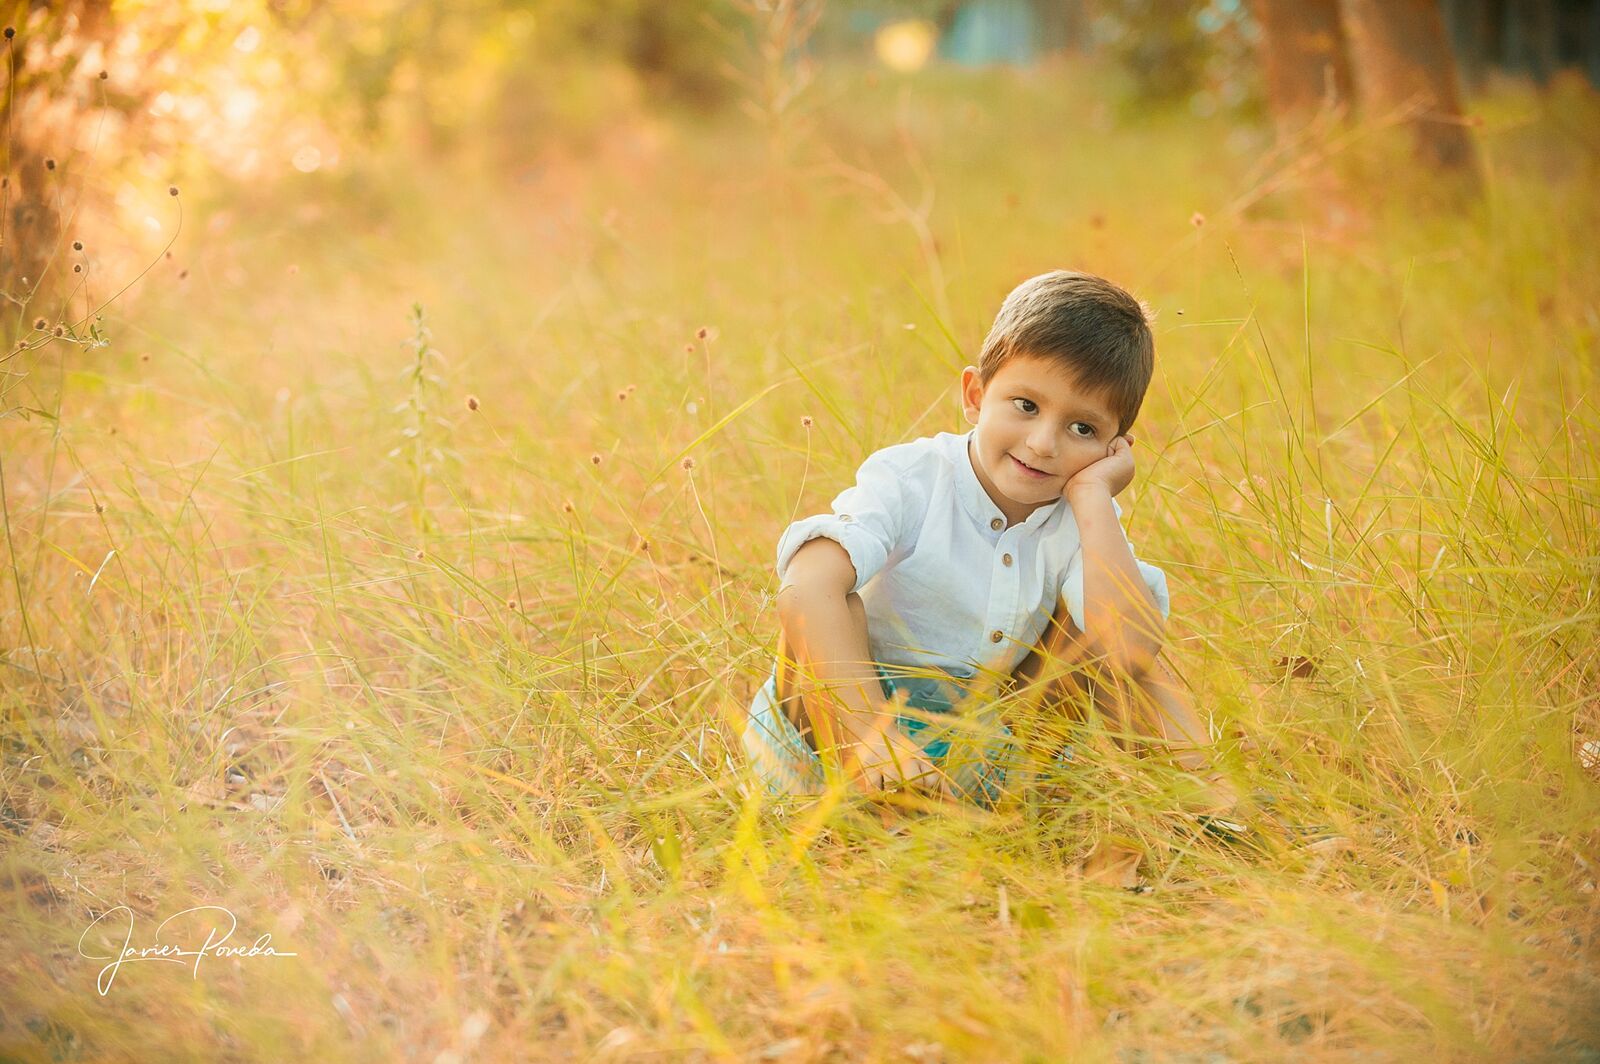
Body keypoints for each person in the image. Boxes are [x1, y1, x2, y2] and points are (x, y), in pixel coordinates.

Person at [741, 270, 1239, 818]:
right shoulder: (912, 478)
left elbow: (1129, 652)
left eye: (1083, 430)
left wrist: (1095, 497)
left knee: (1097, 628)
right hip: (835, 731)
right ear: (976, 395)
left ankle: (1220, 807)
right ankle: (879, 783)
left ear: (1114, 446)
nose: (1043, 443)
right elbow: (804, 587)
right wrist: (868, 735)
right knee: (825, 585)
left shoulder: (1085, 516)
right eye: (1026, 405)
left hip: (981, 752)